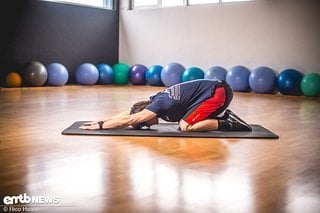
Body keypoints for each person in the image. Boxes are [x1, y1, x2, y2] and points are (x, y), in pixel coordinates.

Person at [80, 79, 252, 132]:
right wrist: (103, 119)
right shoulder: (155, 100)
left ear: (147, 115)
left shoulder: (160, 105)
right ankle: (223, 118)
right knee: (183, 122)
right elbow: (129, 113)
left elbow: (130, 119)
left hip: (218, 93)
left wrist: (101, 126)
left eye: (145, 124)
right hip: (215, 90)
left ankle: (229, 122)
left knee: (185, 126)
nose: (149, 126)